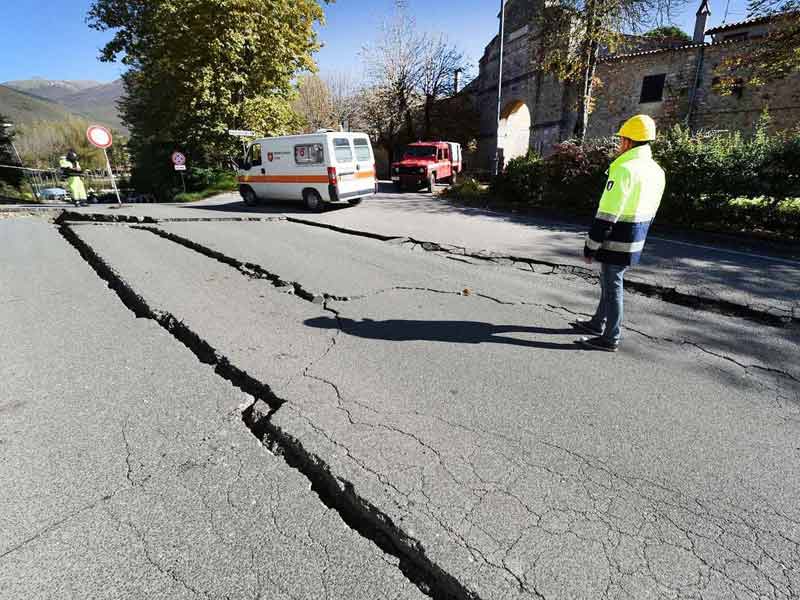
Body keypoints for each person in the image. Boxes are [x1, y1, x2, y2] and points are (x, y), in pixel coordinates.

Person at [573, 115, 665, 352]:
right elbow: (653, 210)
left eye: (621, 140)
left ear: (628, 141)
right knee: (608, 281)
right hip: (637, 236)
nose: (619, 144)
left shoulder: (624, 169)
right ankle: (596, 323)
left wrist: (591, 245)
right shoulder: (656, 171)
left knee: (612, 286)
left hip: (617, 238)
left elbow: (607, 213)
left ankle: (610, 337)